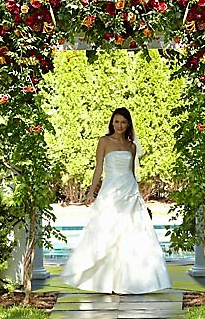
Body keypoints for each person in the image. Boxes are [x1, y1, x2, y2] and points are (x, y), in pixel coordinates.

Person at [61, 107, 171, 294]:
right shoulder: (104, 141)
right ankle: (103, 281)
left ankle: (132, 282)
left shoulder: (131, 146)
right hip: (110, 192)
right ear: (112, 122)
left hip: (129, 192)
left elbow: (132, 172)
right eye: (116, 121)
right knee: (106, 231)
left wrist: (138, 195)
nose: (119, 125)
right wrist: (91, 192)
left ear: (128, 125)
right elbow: (98, 169)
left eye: (123, 122)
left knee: (132, 234)